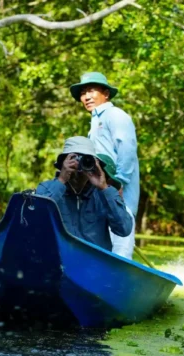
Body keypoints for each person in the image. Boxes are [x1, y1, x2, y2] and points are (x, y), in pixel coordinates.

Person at [69, 72, 139, 259]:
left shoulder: (115, 115)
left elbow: (127, 148)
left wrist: (120, 183)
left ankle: (120, 284)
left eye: (91, 90)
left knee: (120, 252)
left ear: (105, 93)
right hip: (100, 195)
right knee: (102, 251)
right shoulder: (95, 122)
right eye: (83, 93)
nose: (86, 97)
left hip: (118, 195)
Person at [36, 136, 132, 252]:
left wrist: (104, 187)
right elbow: (35, 220)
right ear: (63, 163)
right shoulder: (47, 188)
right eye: (74, 158)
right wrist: (61, 180)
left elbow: (124, 229)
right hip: (58, 263)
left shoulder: (102, 194)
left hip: (94, 265)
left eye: (85, 160)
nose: (79, 165)